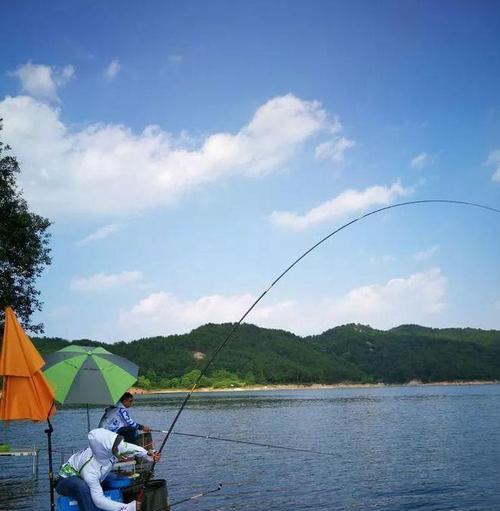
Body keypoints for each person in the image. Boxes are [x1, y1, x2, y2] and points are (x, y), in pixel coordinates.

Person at [56, 428, 160, 511]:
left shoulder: (113, 445)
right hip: (66, 480)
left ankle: (117, 500)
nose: (121, 448)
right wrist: (127, 508)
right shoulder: (90, 470)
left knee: (117, 477)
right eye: (117, 448)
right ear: (107, 450)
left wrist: (149, 454)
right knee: (83, 487)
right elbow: (99, 501)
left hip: (92, 475)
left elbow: (130, 448)